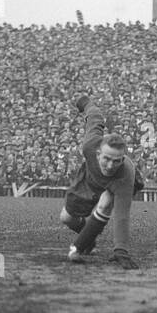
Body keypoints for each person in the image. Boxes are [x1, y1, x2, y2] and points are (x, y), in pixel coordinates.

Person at [60, 95, 141, 267]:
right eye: (107, 159)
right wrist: (85, 103)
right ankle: (89, 238)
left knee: (105, 204)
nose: (111, 165)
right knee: (67, 218)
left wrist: (121, 250)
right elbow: (95, 116)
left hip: (114, 184)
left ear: (123, 158)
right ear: (98, 153)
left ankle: (78, 247)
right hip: (90, 180)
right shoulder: (90, 145)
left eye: (117, 160)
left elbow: (122, 214)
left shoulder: (125, 173)